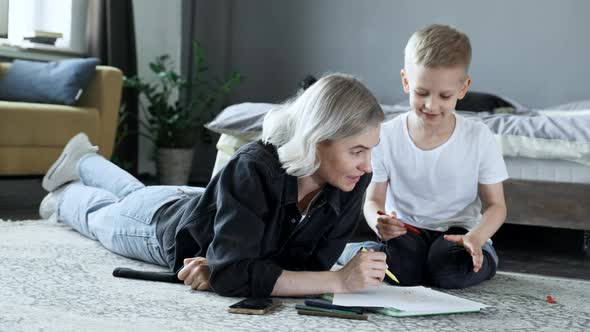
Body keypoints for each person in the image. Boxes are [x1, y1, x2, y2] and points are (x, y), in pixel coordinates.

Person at [39, 73, 388, 297]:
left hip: (202, 202)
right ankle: (64, 192)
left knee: (133, 193)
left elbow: (304, 270)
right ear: (316, 140)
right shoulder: (254, 167)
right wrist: (339, 281)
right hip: (161, 223)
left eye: (370, 150)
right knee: (104, 215)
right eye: (356, 150)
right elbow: (238, 275)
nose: (367, 165)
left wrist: (230, 267)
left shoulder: (352, 179)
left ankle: (84, 160)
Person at [338, 24, 508, 289]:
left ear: (463, 88)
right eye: (421, 93)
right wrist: (378, 221)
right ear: (406, 81)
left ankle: (484, 253)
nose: (431, 105)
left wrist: (476, 237)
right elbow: (373, 200)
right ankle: (358, 250)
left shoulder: (478, 137)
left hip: (458, 233)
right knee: (402, 274)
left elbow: (497, 206)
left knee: (448, 273)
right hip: (407, 230)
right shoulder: (386, 135)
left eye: (445, 95)